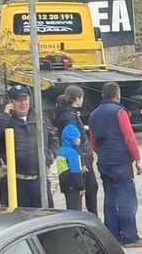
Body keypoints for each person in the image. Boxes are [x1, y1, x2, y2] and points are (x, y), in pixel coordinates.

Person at [88, 82, 142, 248]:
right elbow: (129, 137)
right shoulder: (120, 112)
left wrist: (103, 154)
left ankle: (113, 236)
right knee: (127, 200)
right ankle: (130, 237)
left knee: (110, 199)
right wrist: (137, 159)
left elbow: (93, 142)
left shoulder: (93, 115)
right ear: (118, 94)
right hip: (120, 162)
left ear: (103, 95)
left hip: (104, 162)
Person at [0, 85, 58, 208]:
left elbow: (53, 139)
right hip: (14, 182)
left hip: (39, 181)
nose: (23, 103)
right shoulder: (3, 121)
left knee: (44, 219)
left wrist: (50, 155)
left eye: (25, 99)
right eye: (18, 100)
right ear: (11, 102)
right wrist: (4, 117)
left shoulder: (41, 120)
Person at [55, 85, 99, 215]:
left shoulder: (68, 113)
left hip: (81, 157)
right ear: (78, 98)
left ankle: (91, 218)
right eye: (82, 97)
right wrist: (83, 162)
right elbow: (75, 141)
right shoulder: (69, 116)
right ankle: (90, 220)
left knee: (91, 188)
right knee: (82, 192)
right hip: (80, 158)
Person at [57, 124, 86, 211]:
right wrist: (81, 187)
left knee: (70, 207)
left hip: (65, 185)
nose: (79, 140)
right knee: (76, 209)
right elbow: (75, 172)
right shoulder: (72, 152)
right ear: (72, 139)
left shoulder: (61, 150)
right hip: (73, 185)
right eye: (77, 137)